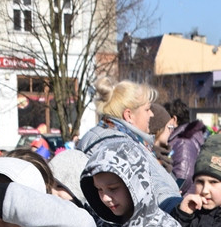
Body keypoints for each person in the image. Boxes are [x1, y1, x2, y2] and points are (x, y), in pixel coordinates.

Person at [77, 79, 181, 207]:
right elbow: (151, 188)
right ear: (129, 115)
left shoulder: (108, 136)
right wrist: (177, 207)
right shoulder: (120, 146)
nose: (151, 114)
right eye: (147, 109)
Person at [166, 98, 209, 191]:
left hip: (182, 200)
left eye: (165, 119)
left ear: (173, 119)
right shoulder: (181, 139)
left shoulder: (183, 142)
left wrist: (168, 194)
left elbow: (183, 177)